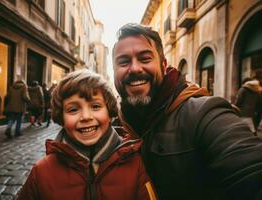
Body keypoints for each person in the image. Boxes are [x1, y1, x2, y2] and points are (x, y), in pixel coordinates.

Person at [112, 23, 262, 200]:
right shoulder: (112, 128)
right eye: (123, 62)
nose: (135, 68)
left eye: (145, 59)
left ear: (164, 65)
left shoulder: (204, 114)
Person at [17, 69, 157, 200]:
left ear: (110, 112)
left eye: (96, 106)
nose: (85, 117)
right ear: (62, 118)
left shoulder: (134, 163)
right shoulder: (42, 172)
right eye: (73, 110)